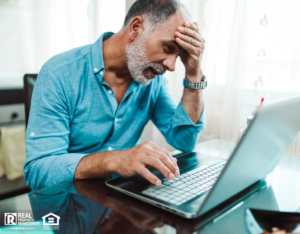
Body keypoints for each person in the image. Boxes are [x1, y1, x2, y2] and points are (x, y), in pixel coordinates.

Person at [24, 0, 206, 190]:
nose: (171, 66)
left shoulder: (154, 81)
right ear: (136, 28)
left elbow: (185, 141)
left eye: (178, 56)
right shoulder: (60, 73)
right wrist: (115, 160)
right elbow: (38, 171)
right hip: (71, 203)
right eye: (168, 48)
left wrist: (194, 73)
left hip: (121, 200)